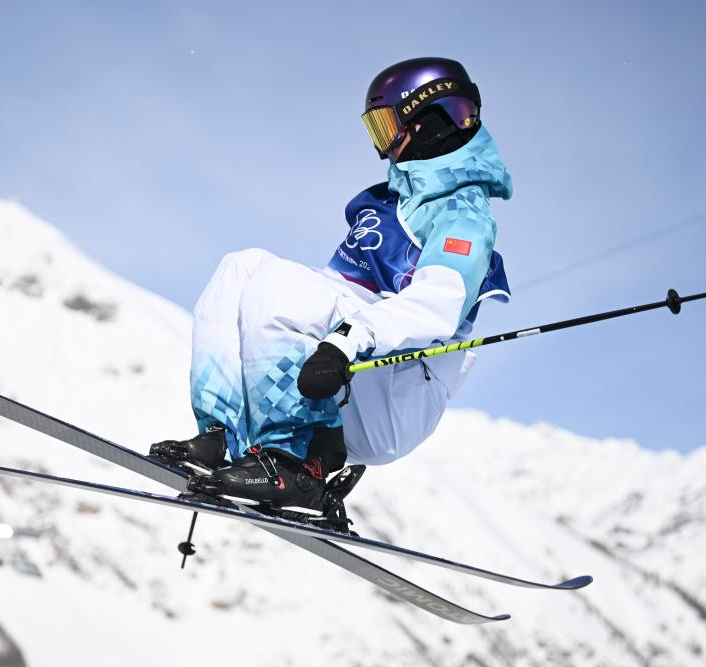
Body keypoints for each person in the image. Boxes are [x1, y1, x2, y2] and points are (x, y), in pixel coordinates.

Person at [151, 57, 512, 510]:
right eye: (376, 130)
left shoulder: (463, 214)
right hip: (350, 378)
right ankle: (222, 436)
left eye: (387, 126)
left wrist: (345, 339)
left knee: (281, 286)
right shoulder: (389, 203)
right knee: (242, 268)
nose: (383, 146)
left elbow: (438, 304)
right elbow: (326, 293)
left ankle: (296, 465)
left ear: (428, 121)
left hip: (396, 395)